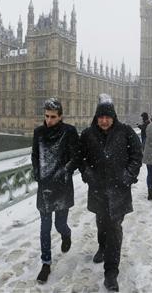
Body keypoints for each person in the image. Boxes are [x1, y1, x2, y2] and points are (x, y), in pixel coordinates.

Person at [79, 94, 142, 292]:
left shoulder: (126, 132)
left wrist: (128, 175)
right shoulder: (88, 134)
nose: (104, 121)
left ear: (113, 117)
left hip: (119, 191)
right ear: (96, 118)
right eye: (101, 117)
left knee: (114, 228)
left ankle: (111, 272)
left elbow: (137, 155)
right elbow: (81, 158)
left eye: (107, 117)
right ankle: (101, 246)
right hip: (98, 189)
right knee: (101, 222)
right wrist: (88, 174)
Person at [31, 98, 80, 284]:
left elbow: (76, 157)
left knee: (60, 224)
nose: (49, 120)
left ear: (61, 117)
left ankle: (66, 234)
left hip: (62, 185)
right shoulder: (39, 132)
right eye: (46, 116)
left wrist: (64, 172)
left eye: (53, 117)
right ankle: (46, 263)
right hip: (44, 187)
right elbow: (35, 155)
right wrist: (37, 173)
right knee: (44, 227)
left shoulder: (69, 132)